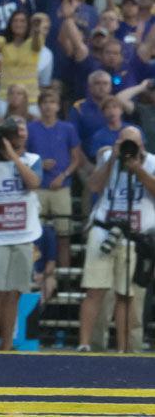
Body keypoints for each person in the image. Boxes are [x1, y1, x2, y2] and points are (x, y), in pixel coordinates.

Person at [78, 126, 155, 352]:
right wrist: (113, 158)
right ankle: (85, 344)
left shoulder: (151, 162)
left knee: (127, 294)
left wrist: (138, 169)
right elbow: (93, 186)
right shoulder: (107, 157)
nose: (129, 148)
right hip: (104, 229)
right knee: (94, 290)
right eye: (124, 142)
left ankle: (124, 349)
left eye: (134, 144)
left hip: (135, 236)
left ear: (142, 145)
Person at [0, 116, 43, 351]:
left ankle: (7, 344)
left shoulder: (32, 159)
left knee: (14, 292)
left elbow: (33, 183)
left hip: (23, 234)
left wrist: (13, 156)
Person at [27, 89, 81, 267]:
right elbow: (23, 156)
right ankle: (36, 273)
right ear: (40, 106)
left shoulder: (68, 128)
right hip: (38, 187)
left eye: (52, 102)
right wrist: (39, 164)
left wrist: (63, 175)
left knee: (63, 235)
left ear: (58, 106)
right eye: (45, 102)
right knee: (34, 233)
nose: (48, 106)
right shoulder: (30, 128)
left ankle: (63, 277)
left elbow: (76, 158)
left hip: (62, 186)